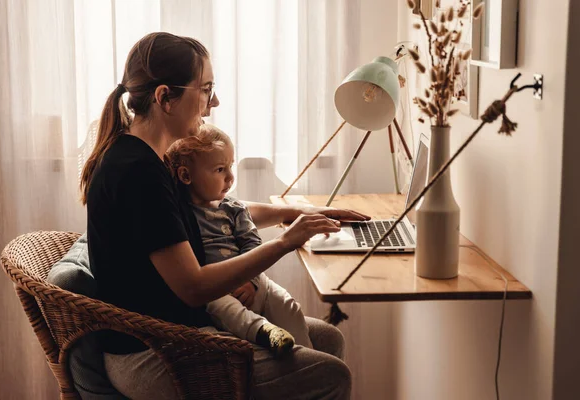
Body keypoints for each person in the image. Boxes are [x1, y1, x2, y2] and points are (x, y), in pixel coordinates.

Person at [80, 31, 369, 400]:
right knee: (332, 375)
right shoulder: (137, 172)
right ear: (165, 97)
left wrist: (295, 211)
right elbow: (194, 286)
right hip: (154, 353)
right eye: (205, 89)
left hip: (177, 331)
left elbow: (214, 210)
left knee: (327, 339)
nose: (213, 101)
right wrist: (285, 242)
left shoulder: (151, 156)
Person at [165, 124, 314, 357]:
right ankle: (265, 331)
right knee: (223, 307)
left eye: (230, 166)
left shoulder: (233, 208)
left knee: (287, 304)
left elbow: (251, 242)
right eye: (219, 169)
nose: (230, 177)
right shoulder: (180, 214)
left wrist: (251, 281)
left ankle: (306, 355)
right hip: (218, 288)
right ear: (186, 175)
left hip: (251, 278)